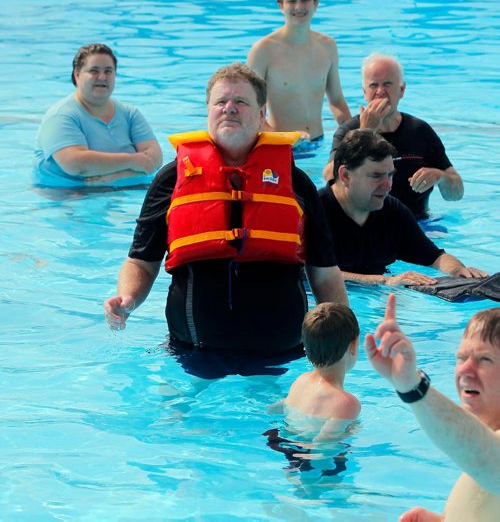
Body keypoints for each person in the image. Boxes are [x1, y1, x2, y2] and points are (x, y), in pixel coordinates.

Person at [104, 63, 348, 372]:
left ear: (262, 115)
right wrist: (128, 300)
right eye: (221, 102)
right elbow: (141, 260)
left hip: (282, 356)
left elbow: (324, 272)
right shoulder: (171, 179)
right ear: (208, 111)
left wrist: (344, 333)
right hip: (192, 354)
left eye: (241, 102)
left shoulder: (295, 183)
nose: (229, 109)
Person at [366, 295, 500, 521]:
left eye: (485, 359)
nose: (465, 370)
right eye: (461, 357)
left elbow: (487, 459)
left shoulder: (485, 454)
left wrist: (412, 387)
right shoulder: (480, 445)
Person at [319, 129, 487, 286]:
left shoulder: (392, 211)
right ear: (345, 175)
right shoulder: (314, 212)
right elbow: (311, 273)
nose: (387, 186)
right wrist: (385, 281)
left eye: (390, 175)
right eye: (376, 176)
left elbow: (434, 256)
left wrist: (460, 272)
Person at [323, 53, 463, 219]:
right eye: (374, 85)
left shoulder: (420, 131)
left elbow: (456, 193)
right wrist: (366, 131)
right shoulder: (350, 131)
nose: (380, 92)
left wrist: (439, 177)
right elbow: (330, 177)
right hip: (368, 225)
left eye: (387, 84)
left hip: (418, 224)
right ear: (365, 92)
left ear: (402, 89)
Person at [247, 0, 351, 155]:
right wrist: (285, 139)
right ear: (281, 5)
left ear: (315, 4)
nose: (299, 7)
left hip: (319, 143)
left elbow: (336, 101)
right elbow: (249, 108)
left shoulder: (327, 46)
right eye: (292, 1)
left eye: (305, 0)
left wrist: (354, 136)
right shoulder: (263, 50)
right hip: (279, 146)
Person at [33, 43, 162, 188]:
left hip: (123, 191)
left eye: (108, 71)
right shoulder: (61, 116)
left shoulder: (129, 113)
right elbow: (77, 164)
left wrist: (115, 177)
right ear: (77, 75)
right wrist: (133, 161)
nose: (102, 77)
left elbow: (155, 159)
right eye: (94, 71)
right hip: (68, 197)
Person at [281, 302, 361, 439]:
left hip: (283, 439)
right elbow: (323, 446)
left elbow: (284, 407)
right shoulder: (346, 403)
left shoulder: (301, 380)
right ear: (353, 345)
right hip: (308, 456)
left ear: (306, 347)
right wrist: (350, 431)